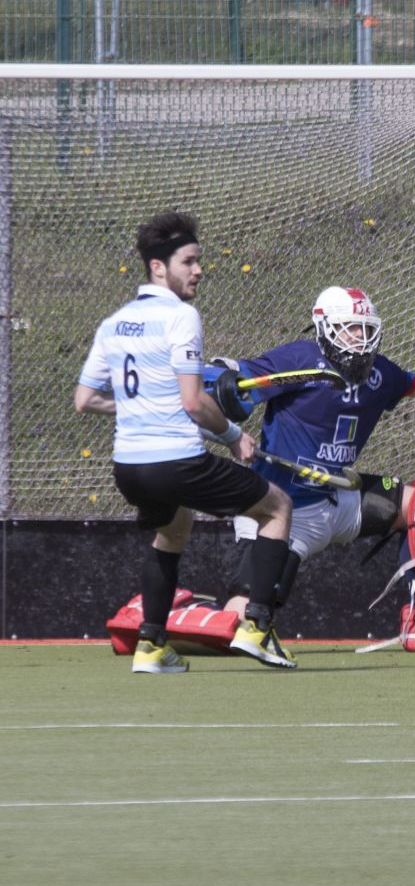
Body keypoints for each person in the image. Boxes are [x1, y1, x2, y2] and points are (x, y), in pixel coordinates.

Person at [74, 211, 295, 673]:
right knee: (276, 508)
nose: (198, 270)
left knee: (173, 529)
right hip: (175, 462)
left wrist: (143, 406)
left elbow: (85, 400)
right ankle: (257, 627)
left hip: (128, 469)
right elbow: (194, 403)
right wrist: (234, 437)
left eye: (198, 261)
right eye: (189, 262)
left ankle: (151, 645)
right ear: (159, 267)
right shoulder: (181, 316)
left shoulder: (114, 323)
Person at [219, 286, 415, 651]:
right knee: (241, 618)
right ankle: (173, 618)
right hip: (282, 512)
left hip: (337, 497)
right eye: (350, 328)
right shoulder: (298, 359)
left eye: (366, 329)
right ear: (325, 328)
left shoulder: (379, 373)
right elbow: (234, 378)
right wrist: (220, 381)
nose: (360, 337)